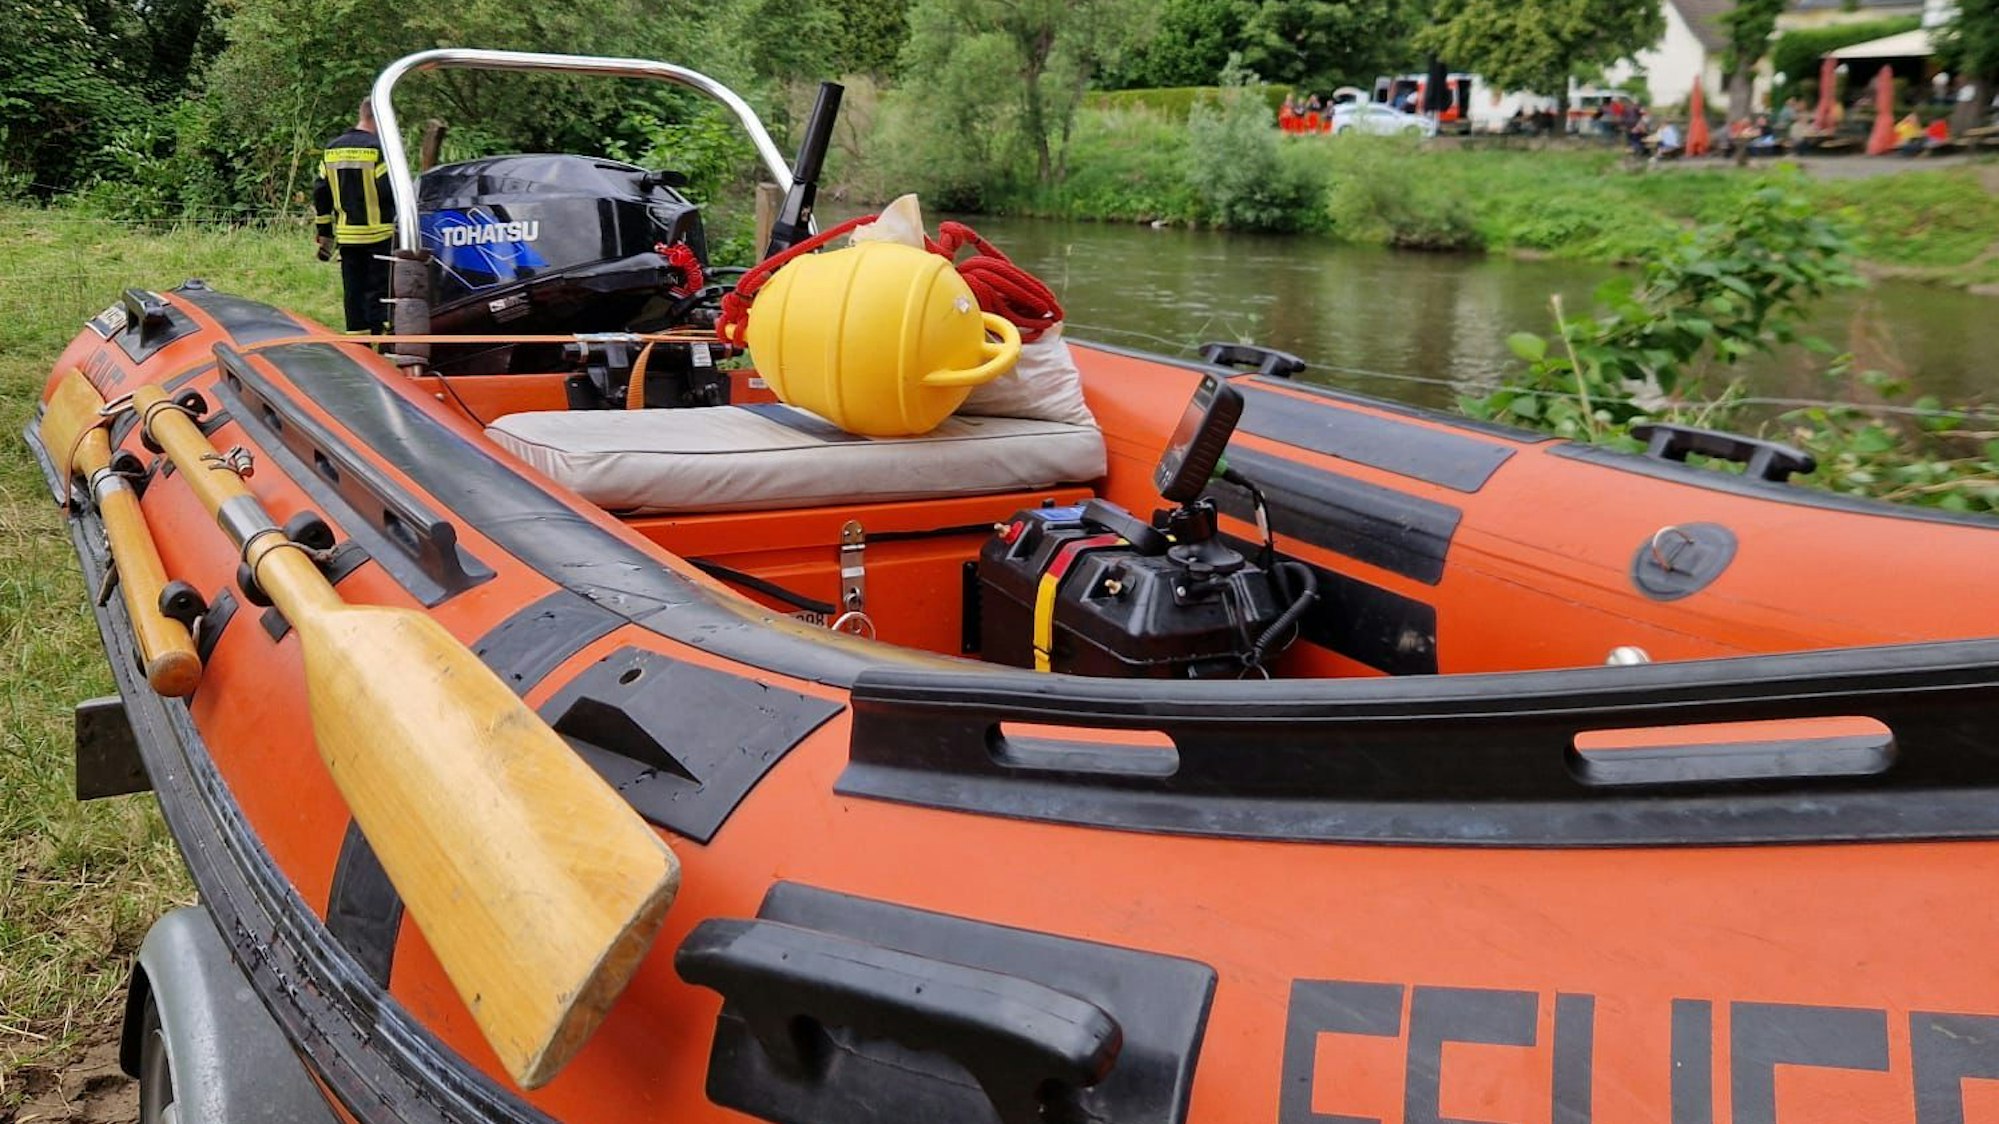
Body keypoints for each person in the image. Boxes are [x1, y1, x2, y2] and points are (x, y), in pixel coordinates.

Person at [313, 100, 396, 334]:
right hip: (380, 235)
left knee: (353, 293)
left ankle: (358, 345)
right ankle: (380, 341)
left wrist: (324, 232)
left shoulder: (332, 149)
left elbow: (321, 192)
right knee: (379, 293)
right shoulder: (379, 149)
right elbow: (389, 190)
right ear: (378, 118)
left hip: (348, 237)